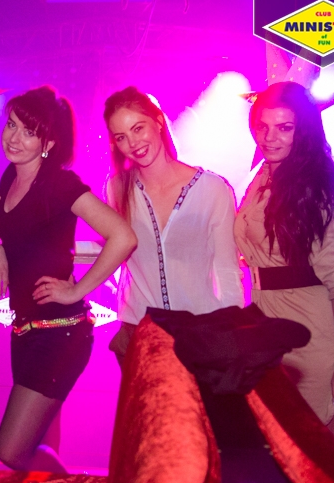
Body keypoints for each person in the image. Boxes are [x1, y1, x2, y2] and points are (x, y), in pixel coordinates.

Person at [0, 87, 137, 472]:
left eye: (29, 132)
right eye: (12, 125)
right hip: (24, 332)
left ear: (48, 143)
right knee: (38, 443)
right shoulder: (10, 177)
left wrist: (78, 289)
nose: (14, 138)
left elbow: (123, 237)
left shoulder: (60, 185)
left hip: (61, 334)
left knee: (11, 450)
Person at [234, 81, 334, 451]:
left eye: (284, 127)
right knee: (281, 465)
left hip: (316, 342)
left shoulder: (314, 187)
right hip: (271, 334)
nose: (269, 137)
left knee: (325, 474)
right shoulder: (263, 176)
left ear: (303, 131)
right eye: (263, 126)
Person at [103, 86, 244, 362]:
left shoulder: (213, 189)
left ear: (158, 122)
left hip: (200, 335)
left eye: (138, 128)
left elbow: (227, 271)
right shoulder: (117, 189)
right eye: (121, 137)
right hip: (138, 335)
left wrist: (231, 335)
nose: (133, 143)